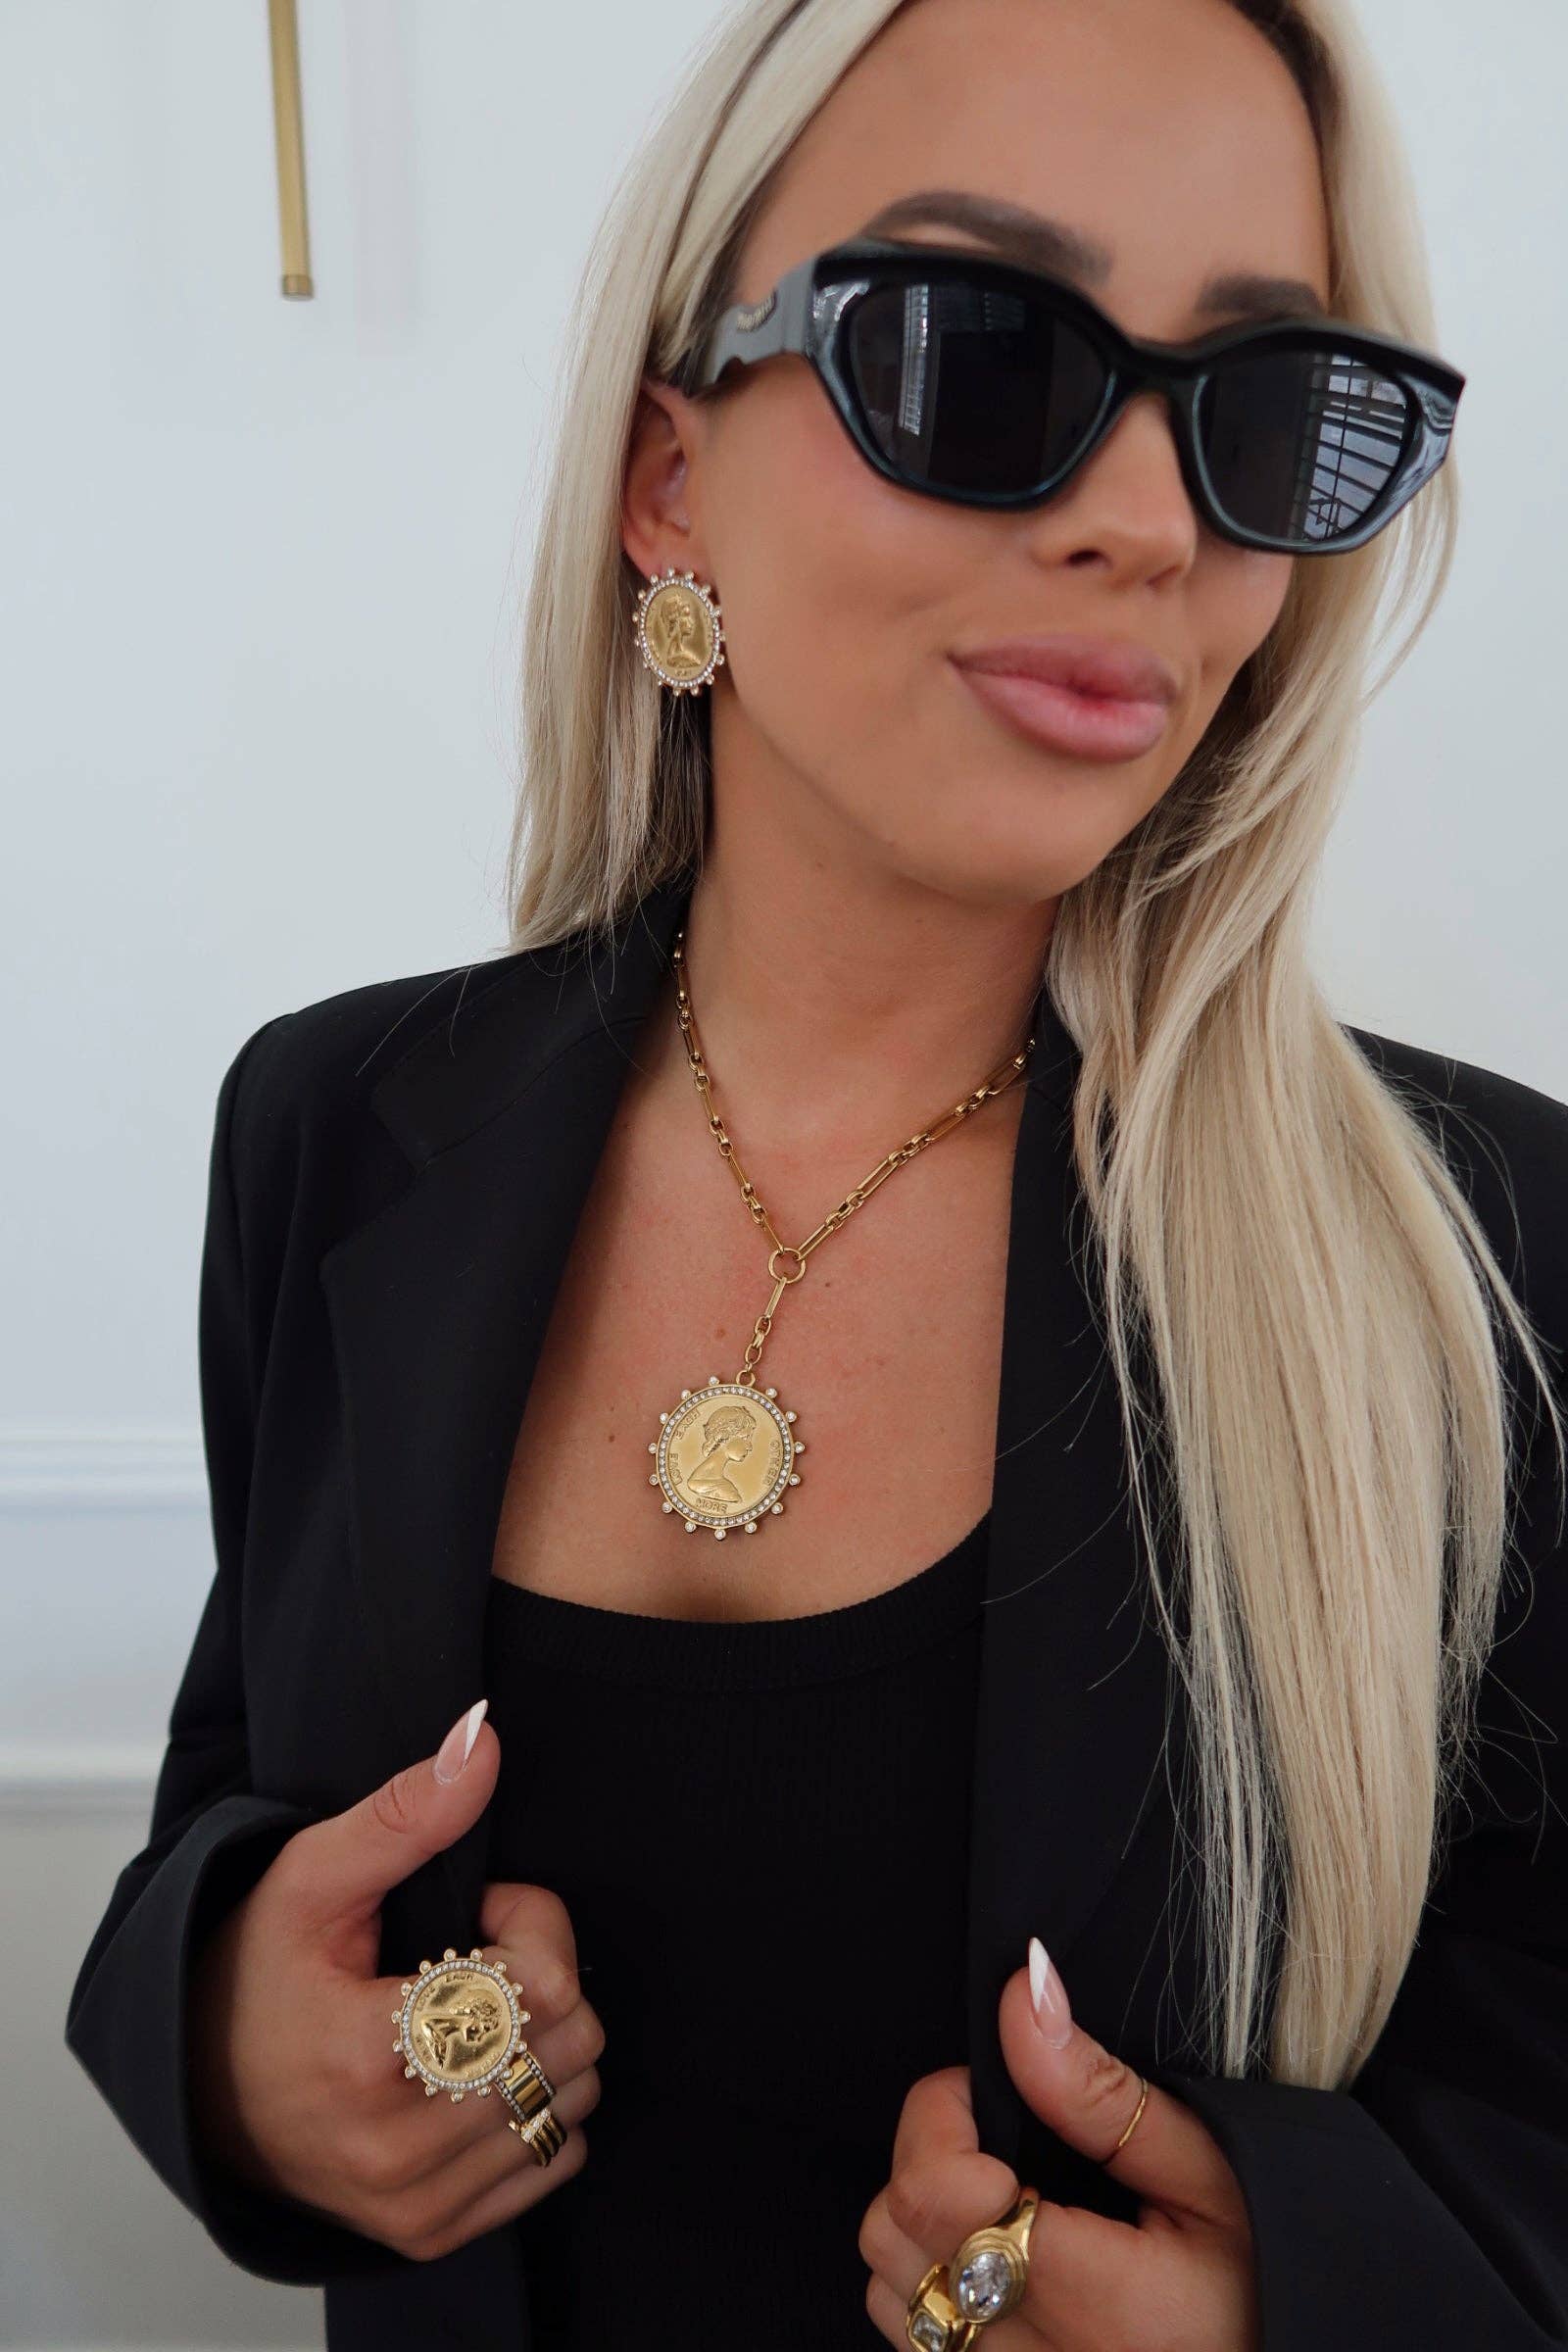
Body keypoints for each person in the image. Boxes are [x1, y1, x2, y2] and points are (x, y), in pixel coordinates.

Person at [65, 0, 1568, 2346]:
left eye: (1262, 409)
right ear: (671, 481)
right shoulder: (341, 1130)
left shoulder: (1491, 1255)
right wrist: (228, 2044)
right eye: (977, 354)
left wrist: (1307, 2297)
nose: (1146, 525)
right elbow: (238, 1796)